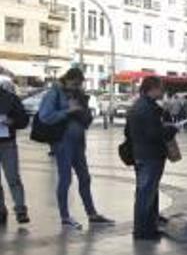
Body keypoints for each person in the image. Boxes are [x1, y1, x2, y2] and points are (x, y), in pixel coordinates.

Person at [38, 68, 114, 229]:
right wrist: (68, 111)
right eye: (74, 84)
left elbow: (86, 120)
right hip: (63, 142)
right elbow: (45, 116)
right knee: (65, 179)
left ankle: (92, 214)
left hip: (78, 142)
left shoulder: (78, 94)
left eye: (79, 84)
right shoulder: (54, 94)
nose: (76, 87)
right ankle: (65, 217)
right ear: (66, 79)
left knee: (85, 177)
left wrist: (83, 112)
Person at [126, 77, 178, 240]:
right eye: (161, 88)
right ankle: (143, 231)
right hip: (149, 155)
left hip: (142, 154)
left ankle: (149, 227)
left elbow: (130, 132)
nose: (163, 92)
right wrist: (169, 131)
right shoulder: (146, 108)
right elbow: (153, 133)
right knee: (146, 194)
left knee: (148, 192)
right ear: (152, 89)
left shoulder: (142, 105)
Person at [0, 80, 29, 225]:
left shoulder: (10, 98)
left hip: (7, 143)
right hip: (7, 143)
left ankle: (20, 210)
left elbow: (24, 120)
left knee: (13, 178)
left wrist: (12, 121)